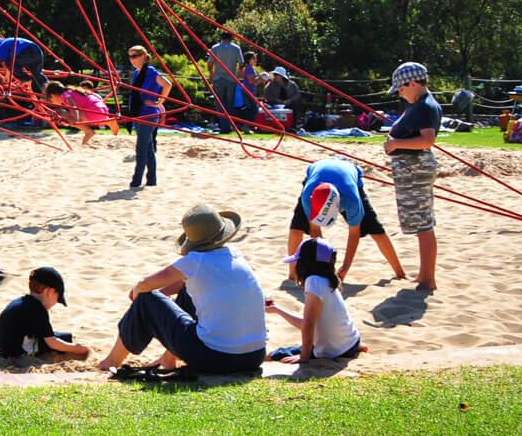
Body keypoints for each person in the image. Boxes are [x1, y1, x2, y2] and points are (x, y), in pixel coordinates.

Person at [96, 203, 267, 376]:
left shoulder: (195, 260)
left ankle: (112, 361)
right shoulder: (235, 255)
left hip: (216, 359)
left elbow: (143, 285)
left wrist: (141, 300)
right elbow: (187, 283)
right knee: (184, 293)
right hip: (254, 356)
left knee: (145, 300)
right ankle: (168, 359)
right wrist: (161, 301)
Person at [287, 157, 407, 282]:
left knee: (375, 229)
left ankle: (400, 273)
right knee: (297, 228)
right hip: (317, 172)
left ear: (339, 206)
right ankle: (292, 274)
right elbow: (315, 233)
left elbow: (354, 234)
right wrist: (324, 268)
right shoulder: (308, 197)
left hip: (349, 176)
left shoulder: (352, 200)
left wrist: (345, 267)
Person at [384, 61, 442, 291]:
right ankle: (424, 274)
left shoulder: (425, 106)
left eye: (401, 88)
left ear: (414, 83)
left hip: (415, 168)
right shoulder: (419, 105)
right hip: (411, 168)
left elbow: (428, 140)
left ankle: (428, 279)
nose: (400, 92)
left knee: (424, 224)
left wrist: (396, 143)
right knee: (421, 223)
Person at [266, 236, 366, 364]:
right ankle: (357, 348)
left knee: (274, 355)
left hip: (333, 351)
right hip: (351, 342)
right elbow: (308, 324)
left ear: (305, 264)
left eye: (297, 261)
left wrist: (304, 356)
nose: (295, 265)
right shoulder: (329, 280)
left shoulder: (313, 281)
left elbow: (308, 325)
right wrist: (277, 310)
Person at [0, 267, 89, 360]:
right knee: (63, 340)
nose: (55, 303)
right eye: (57, 299)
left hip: (3, 347)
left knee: (61, 337)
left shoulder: (22, 301)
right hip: (17, 352)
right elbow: (53, 343)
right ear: (50, 292)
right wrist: (76, 348)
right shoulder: (37, 309)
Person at [124, 46, 170, 188]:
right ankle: (151, 180)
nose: (132, 59)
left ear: (143, 56)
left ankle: (136, 181)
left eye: (135, 55)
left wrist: (159, 103)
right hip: (139, 113)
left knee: (141, 148)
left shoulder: (150, 71)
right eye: (130, 56)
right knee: (148, 148)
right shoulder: (137, 72)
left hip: (148, 114)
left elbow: (167, 85)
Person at [43, 80, 118, 145]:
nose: (53, 103)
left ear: (52, 95)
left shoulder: (65, 95)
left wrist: (74, 120)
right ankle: (108, 121)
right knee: (65, 116)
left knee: (67, 116)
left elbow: (73, 107)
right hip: (102, 110)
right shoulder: (70, 91)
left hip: (96, 111)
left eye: (51, 100)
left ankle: (89, 131)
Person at [207, 37, 244, 124]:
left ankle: (223, 124)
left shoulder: (215, 48)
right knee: (229, 103)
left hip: (218, 78)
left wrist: (211, 73)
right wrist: (239, 72)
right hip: (231, 78)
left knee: (219, 103)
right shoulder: (236, 48)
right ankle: (228, 123)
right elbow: (241, 63)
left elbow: (210, 62)